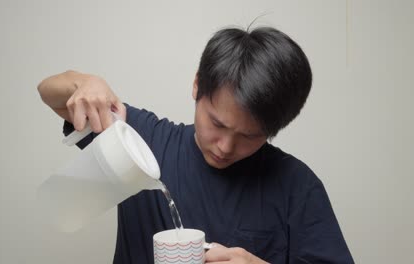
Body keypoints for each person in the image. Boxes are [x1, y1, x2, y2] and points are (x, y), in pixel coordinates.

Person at [38, 26, 354, 263]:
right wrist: (83, 82)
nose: (226, 147)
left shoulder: (297, 187)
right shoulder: (142, 143)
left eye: (250, 136)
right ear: (196, 85)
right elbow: (49, 92)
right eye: (217, 123)